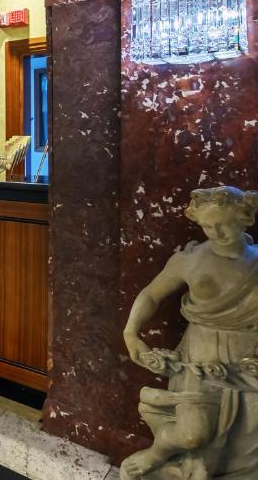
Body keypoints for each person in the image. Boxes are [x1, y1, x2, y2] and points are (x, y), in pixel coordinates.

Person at [121, 186, 258, 479]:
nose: (217, 233)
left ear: (244, 218)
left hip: (247, 360)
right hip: (200, 356)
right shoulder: (191, 259)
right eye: (208, 226)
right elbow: (151, 295)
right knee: (192, 435)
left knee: (249, 433)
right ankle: (158, 453)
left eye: (226, 225)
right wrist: (131, 333)